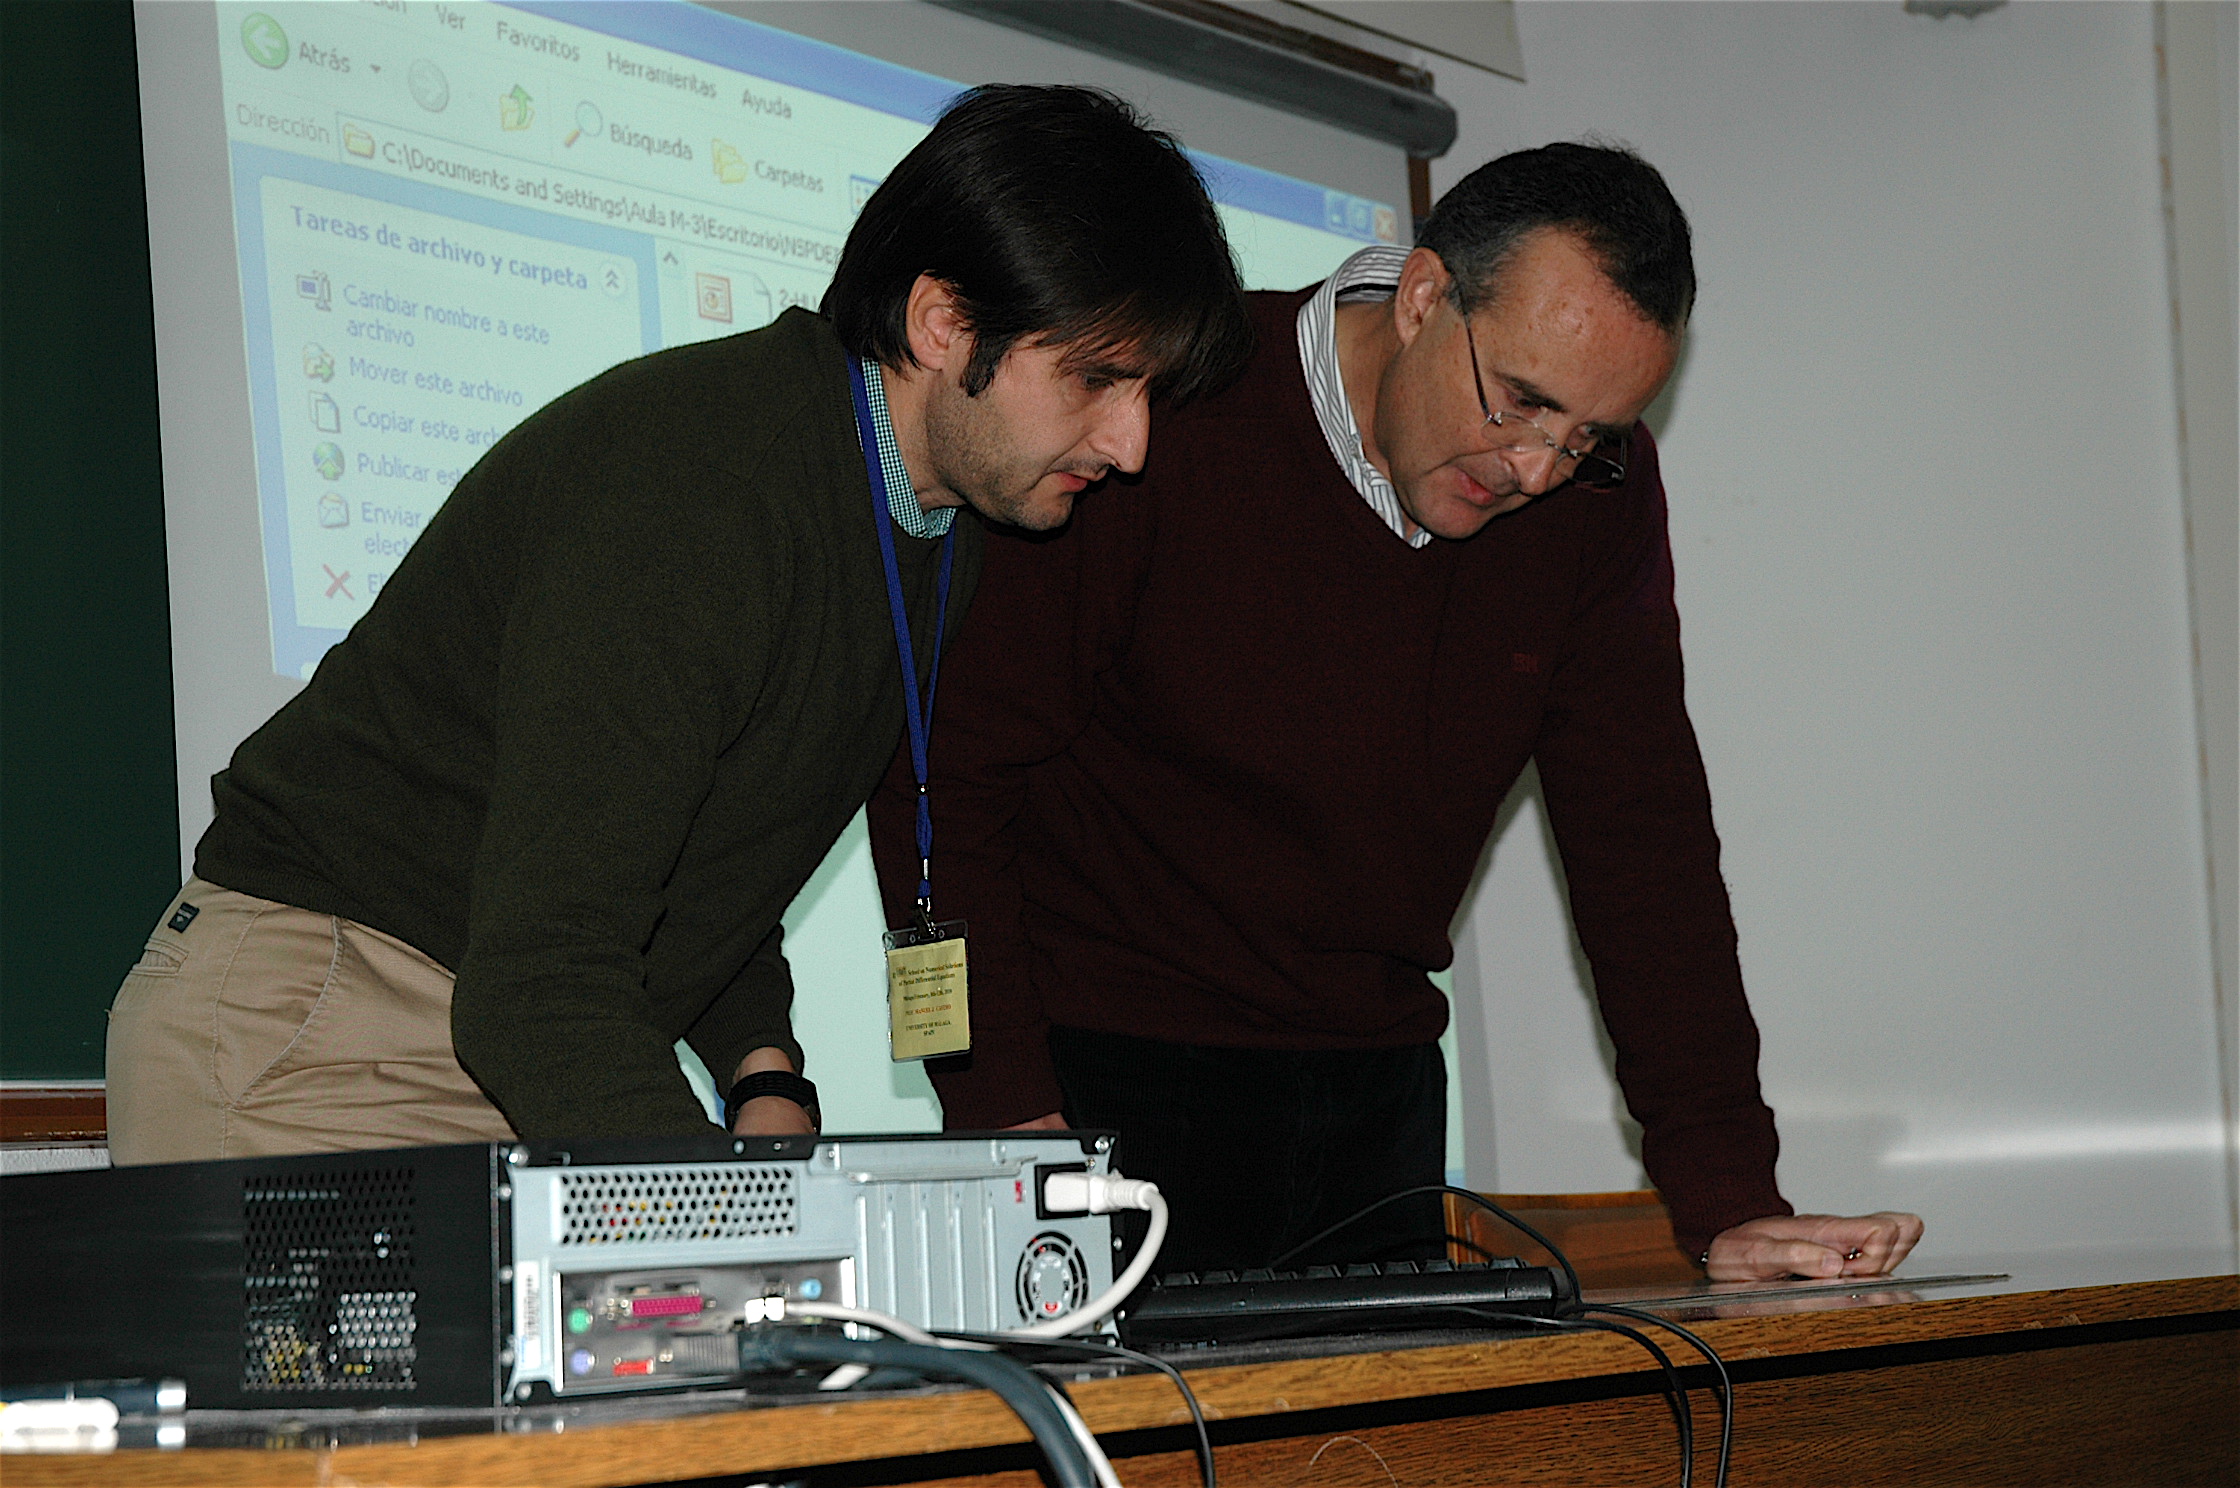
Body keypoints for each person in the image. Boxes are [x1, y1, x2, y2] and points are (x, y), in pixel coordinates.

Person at [103, 85, 1252, 1165]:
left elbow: (696, 836)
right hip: (329, 1026)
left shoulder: (937, 531)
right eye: (1095, 379)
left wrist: (763, 1068)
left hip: (495, 1031)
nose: (1130, 444)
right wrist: (725, 1228)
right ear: (942, 323)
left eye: (1146, 392)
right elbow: (538, 975)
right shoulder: (704, 496)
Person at [869, 142, 1923, 1282]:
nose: (1535, 469)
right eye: (1521, 403)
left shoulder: (1597, 505)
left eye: (1586, 437)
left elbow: (1644, 844)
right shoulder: (1161, 406)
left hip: (1378, 1106)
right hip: (1096, 1087)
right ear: (1422, 297)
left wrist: (1728, 1198)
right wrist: (998, 1106)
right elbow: (942, 777)